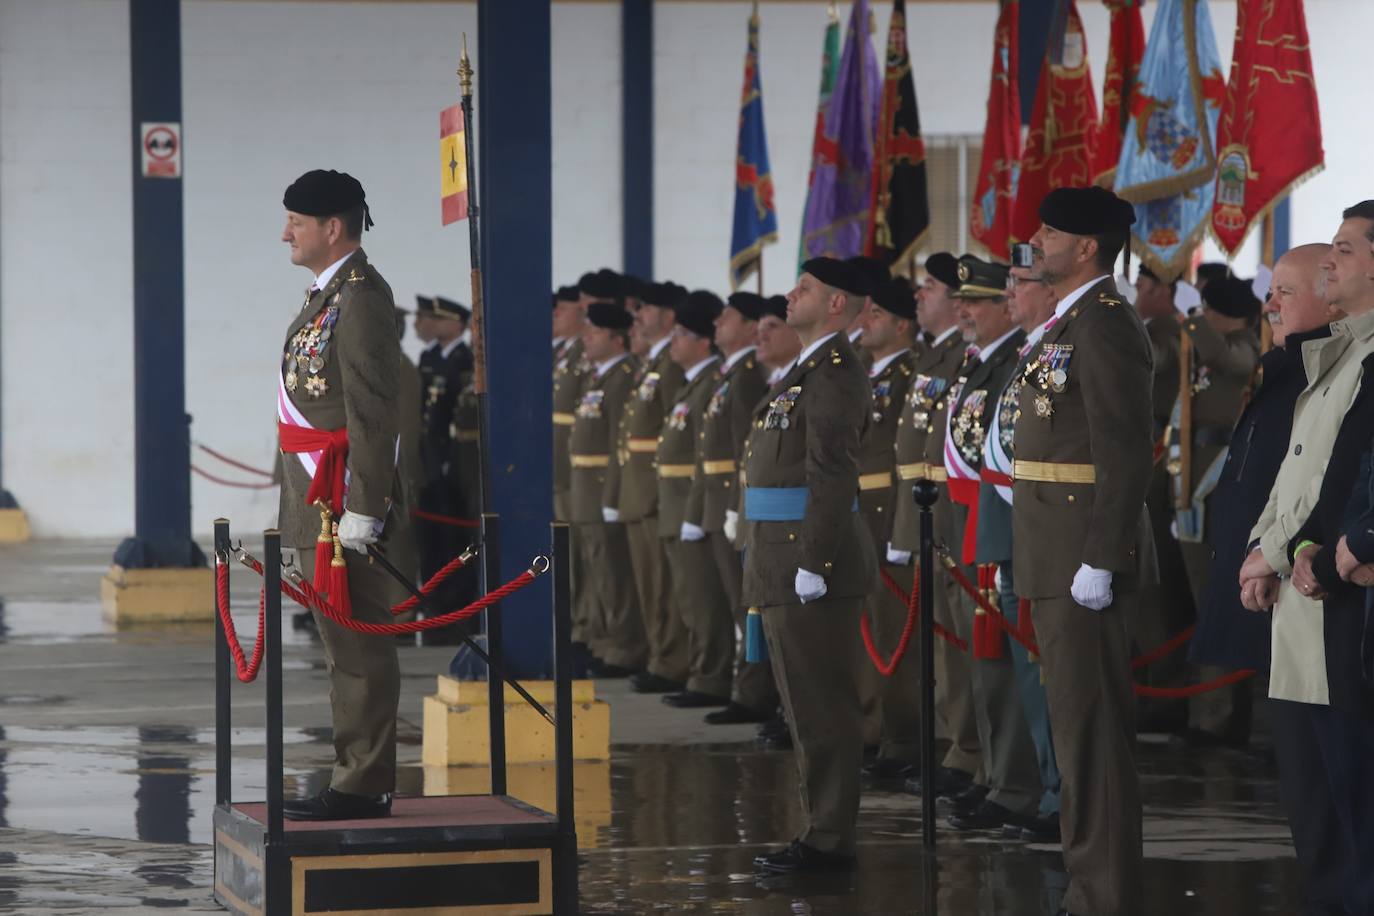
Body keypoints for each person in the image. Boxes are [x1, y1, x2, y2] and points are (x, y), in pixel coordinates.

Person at [1016, 185, 1153, 915]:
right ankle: (1087, 888)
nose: (1036, 240)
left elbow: (1126, 448)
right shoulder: (1069, 324)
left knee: (1092, 737)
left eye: (1049, 232)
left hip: (1081, 562)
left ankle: (1104, 896)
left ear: (1087, 248)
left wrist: (1103, 555)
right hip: (1054, 553)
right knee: (1074, 732)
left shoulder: (1103, 326)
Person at [1239, 202, 1374, 915]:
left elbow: (1346, 481)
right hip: (1300, 601)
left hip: (1340, 602)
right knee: (1315, 815)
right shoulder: (1338, 349)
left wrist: (1287, 552)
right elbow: (1296, 471)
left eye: (1347, 250)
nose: (1330, 260)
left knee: (1354, 815)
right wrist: (1264, 550)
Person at [275, 169, 406, 820]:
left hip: (340, 508)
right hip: (315, 503)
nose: (285, 235)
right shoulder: (325, 297)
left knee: (359, 650)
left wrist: (365, 507)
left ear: (333, 227)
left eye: (295, 223)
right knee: (340, 650)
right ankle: (351, 772)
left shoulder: (361, 299)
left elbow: (374, 413)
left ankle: (362, 784)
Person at [746, 257, 877, 874]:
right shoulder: (803, 369)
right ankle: (820, 828)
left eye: (804, 289)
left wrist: (816, 561)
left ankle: (829, 839)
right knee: (802, 706)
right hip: (781, 554)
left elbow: (831, 470)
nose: (789, 295)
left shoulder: (835, 372)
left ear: (834, 304)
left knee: (823, 707)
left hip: (808, 557)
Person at [1189, 244, 1334, 745]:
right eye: (1270, 293)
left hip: (1296, 566)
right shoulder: (1285, 364)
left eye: (1284, 293)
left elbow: (1313, 480)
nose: (1270, 305)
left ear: (1330, 296)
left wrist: (1269, 552)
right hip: (1262, 557)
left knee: (1307, 749)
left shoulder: (1321, 369)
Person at [940, 255, 1040, 834]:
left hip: (998, 523)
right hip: (970, 523)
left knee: (1002, 662)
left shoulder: (1012, 363)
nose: (964, 311)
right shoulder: (983, 363)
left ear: (1007, 305)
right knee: (982, 662)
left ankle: (1014, 783)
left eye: (975, 301)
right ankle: (995, 775)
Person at [976, 251, 1062, 841]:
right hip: (1013, 533)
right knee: (1030, 681)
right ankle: (1046, 790)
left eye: (1020, 283)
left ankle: (1061, 799)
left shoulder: (1054, 349)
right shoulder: (1027, 353)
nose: (1010, 294)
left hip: (1044, 537)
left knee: (1048, 679)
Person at [889, 252, 981, 799]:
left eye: (931, 288)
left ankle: (968, 750)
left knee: (963, 641)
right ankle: (956, 744)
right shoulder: (935, 357)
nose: (921, 295)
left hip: (953, 515)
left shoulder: (961, 358)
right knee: (946, 643)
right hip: (930, 513)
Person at [692, 291, 774, 725]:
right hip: (723, 500)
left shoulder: (745, 376)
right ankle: (747, 686)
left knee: (748, 607)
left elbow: (748, 449)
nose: (718, 322)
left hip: (736, 500)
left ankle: (753, 691)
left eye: (729, 316)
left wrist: (732, 505)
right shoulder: (733, 373)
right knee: (735, 603)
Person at [853, 276, 921, 777]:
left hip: (886, 512)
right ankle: (871, 727)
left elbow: (906, 457)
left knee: (893, 633)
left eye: (876, 314)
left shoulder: (909, 374)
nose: (864, 321)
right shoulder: (865, 373)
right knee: (868, 635)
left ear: (902, 325)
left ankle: (902, 737)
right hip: (858, 511)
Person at [1129, 265, 1195, 732]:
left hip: (1155, 469)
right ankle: (1148, 685)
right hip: (1141, 461)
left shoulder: (1168, 331)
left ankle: (1164, 693)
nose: (1135, 293)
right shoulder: (1150, 327)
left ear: (1160, 291)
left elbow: (1157, 366)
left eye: (1142, 286)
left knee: (1156, 593)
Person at [658, 291, 731, 707]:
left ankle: (712, 677)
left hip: (697, 504)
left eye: (682, 334)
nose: (674, 342)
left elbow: (709, 455)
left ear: (703, 342)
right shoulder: (697, 385)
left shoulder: (709, 385)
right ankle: (702, 672)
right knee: (690, 597)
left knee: (706, 601)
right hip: (681, 503)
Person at [619, 282, 690, 690]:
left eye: (646, 310)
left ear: (666, 316)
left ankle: (672, 659)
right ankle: (660, 654)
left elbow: (674, 432)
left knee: (665, 585)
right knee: (650, 583)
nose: (639, 317)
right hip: (642, 487)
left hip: (659, 488)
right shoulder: (655, 362)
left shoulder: (671, 364)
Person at [568, 302, 642, 674]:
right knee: (595, 570)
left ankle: (623, 646)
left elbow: (619, 444)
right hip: (584, 489)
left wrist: (613, 494)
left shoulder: (624, 376)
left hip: (601, 488)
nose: (586, 338)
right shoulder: (599, 377)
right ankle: (601, 640)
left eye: (594, 333)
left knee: (614, 574)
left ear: (616, 339)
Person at [414, 294, 475, 640]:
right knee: (431, 537)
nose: (430, 324)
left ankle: (453, 603)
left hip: (452, 460)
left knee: (453, 537)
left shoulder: (464, 361)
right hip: (430, 459)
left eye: (438, 319)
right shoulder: (430, 358)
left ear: (456, 324)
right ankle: (433, 598)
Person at [757, 295, 801, 386]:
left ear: (798, 332)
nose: (761, 337)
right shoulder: (776, 380)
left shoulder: (807, 379)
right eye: (760, 330)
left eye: (771, 326)